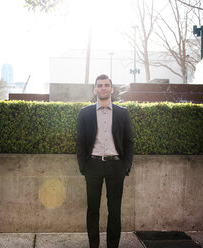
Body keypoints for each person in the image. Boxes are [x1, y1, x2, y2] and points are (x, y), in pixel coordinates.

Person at [77, 74, 133, 248]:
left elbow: (128, 141)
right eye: (99, 85)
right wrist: (84, 167)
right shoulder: (84, 113)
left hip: (116, 167)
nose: (103, 88)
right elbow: (80, 142)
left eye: (106, 85)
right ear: (95, 89)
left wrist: (126, 166)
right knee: (93, 210)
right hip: (93, 166)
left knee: (114, 211)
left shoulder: (123, 113)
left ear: (111, 89)